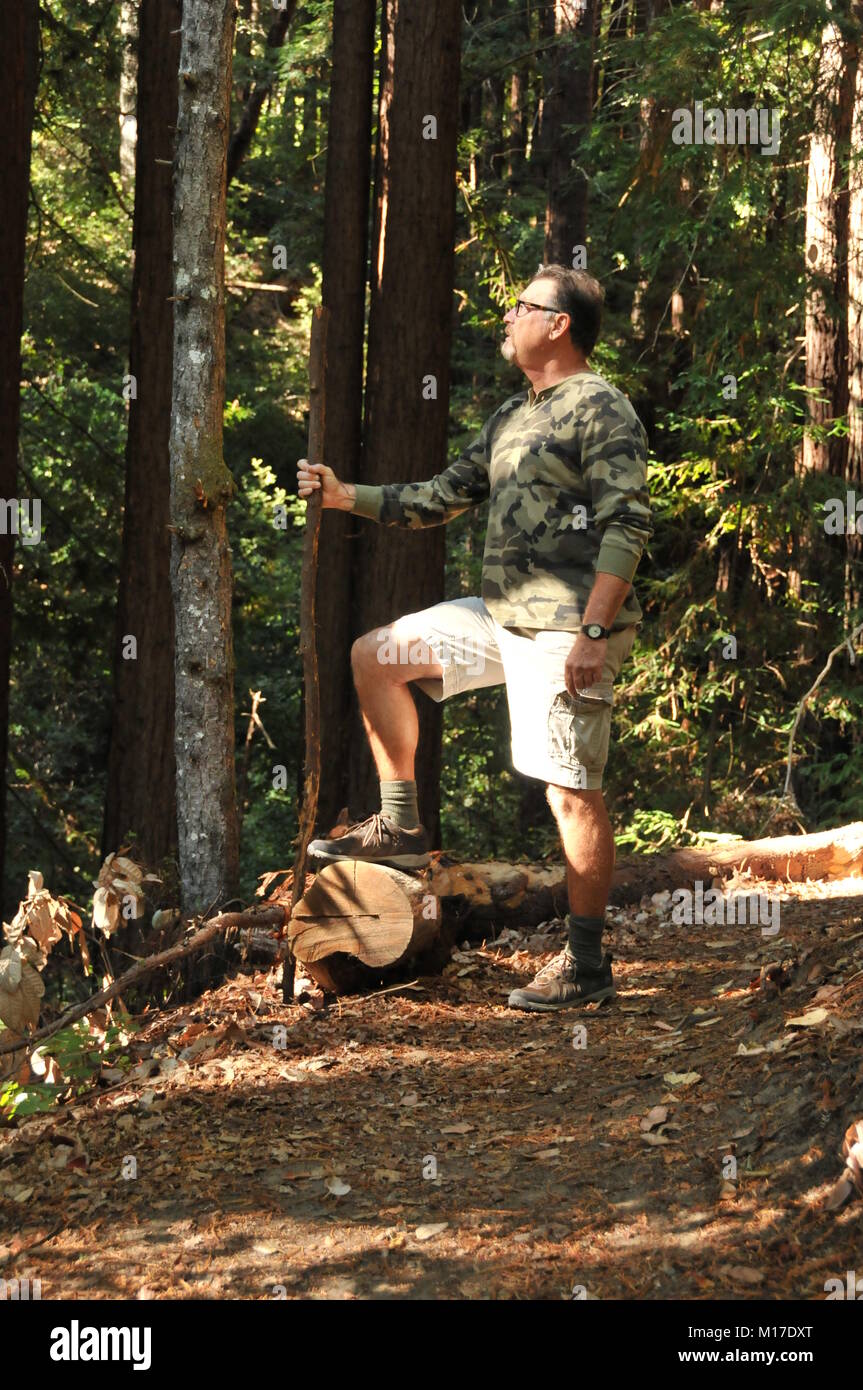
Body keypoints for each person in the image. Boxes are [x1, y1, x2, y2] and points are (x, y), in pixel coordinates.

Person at [296, 264, 652, 1012]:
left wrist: (592, 631)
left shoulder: (600, 408)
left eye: (523, 306)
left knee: (570, 793)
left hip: (565, 627)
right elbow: (435, 497)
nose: (508, 315)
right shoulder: (511, 415)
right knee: (376, 655)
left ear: (559, 324)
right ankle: (398, 825)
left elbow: (627, 523)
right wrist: (340, 494)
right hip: (500, 616)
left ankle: (585, 965)